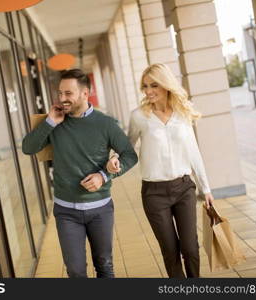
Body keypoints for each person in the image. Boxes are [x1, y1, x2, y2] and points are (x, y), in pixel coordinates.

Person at [22, 69, 138, 278]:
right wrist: (49, 123)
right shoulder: (53, 121)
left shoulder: (106, 124)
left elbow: (130, 155)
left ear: (85, 94)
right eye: (60, 93)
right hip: (66, 211)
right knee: (75, 271)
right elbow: (28, 148)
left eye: (68, 94)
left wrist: (104, 175)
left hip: (100, 208)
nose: (62, 99)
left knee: (104, 266)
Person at [106, 63, 214, 278]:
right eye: (145, 86)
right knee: (170, 251)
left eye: (153, 85)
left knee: (190, 248)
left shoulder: (183, 113)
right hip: (154, 193)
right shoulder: (139, 116)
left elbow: (194, 152)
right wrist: (116, 157)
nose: (148, 91)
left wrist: (206, 188)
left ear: (165, 85)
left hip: (184, 188)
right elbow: (128, 145)